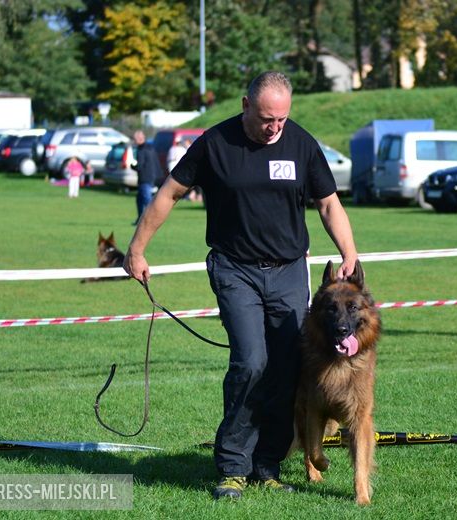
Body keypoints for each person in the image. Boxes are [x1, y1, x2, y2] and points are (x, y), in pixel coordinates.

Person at [123, 71, 358, 500]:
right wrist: (136, 250)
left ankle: (267, 464)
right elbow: (168, 195)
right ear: (246, 105)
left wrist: (349, 253)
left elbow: (328, 203)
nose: (275, 128)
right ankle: (232, 465)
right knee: (251, 361)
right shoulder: (215, 144)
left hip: (289, 271)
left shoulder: (301, 144)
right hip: (236, 270)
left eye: (282, 120)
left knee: (286, 367)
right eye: (268, 118)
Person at [131, 130, 162, 225]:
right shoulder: (151, 148)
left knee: (147, 200)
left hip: (145, 178)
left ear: (140, 139)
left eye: (134, 139)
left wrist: (132, 166)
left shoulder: (141, 150)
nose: (134, 141)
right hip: (154, 176)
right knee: (139, 199)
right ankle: (140, 219)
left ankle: (154, 220)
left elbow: (139, 166)